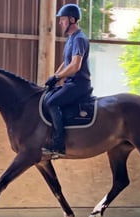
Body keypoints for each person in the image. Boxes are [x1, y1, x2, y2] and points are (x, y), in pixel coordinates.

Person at [42, 3, 93, 156]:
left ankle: (59, 144)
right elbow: (65, 62)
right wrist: (54, 78)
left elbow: (75, 65)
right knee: (47, 96)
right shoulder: (71, 39)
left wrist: (58, 77)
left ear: (72, 19)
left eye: (62, 20)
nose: (60, 23)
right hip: (70, 83)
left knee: (52, 103)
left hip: (79, 84)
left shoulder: (79, 39)